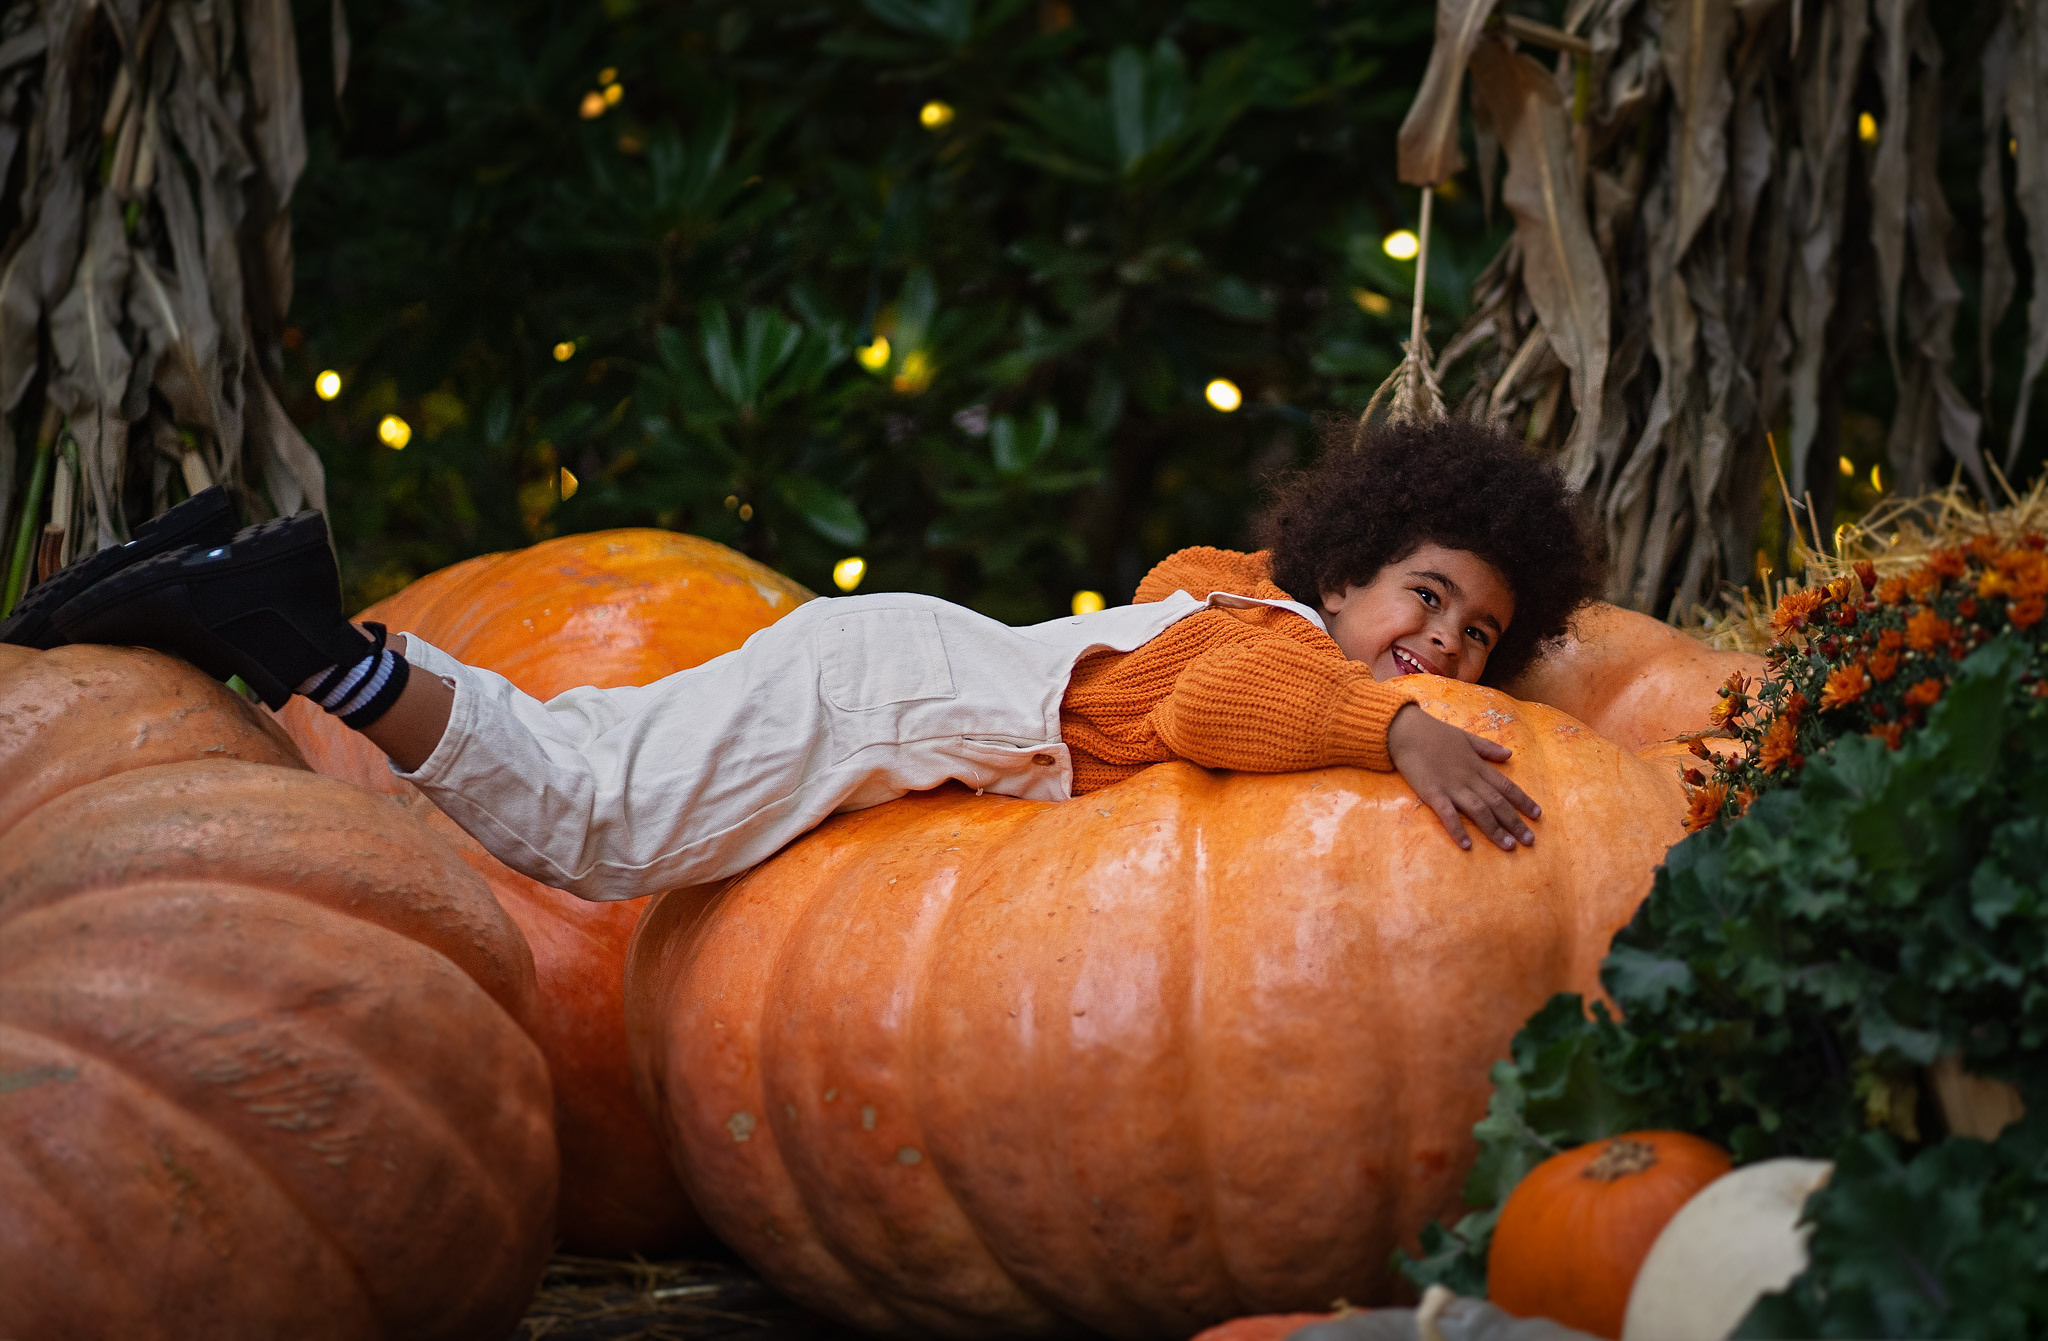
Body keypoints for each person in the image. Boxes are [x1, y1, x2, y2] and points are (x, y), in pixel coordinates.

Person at [5, 418, 1602, 899]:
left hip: (881, 659)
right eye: (1424, 594)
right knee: (595, 827)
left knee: (596, 761)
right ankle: (296, 636)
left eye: (1474, 634)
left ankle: (237, 585)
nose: (1443, 641)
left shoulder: (1218, 588)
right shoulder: (1263, 646)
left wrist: (1363, 645)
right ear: (1342, 572)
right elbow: (1239, 695)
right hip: (876, 687)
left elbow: (1191, 597)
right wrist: (1395, 731)